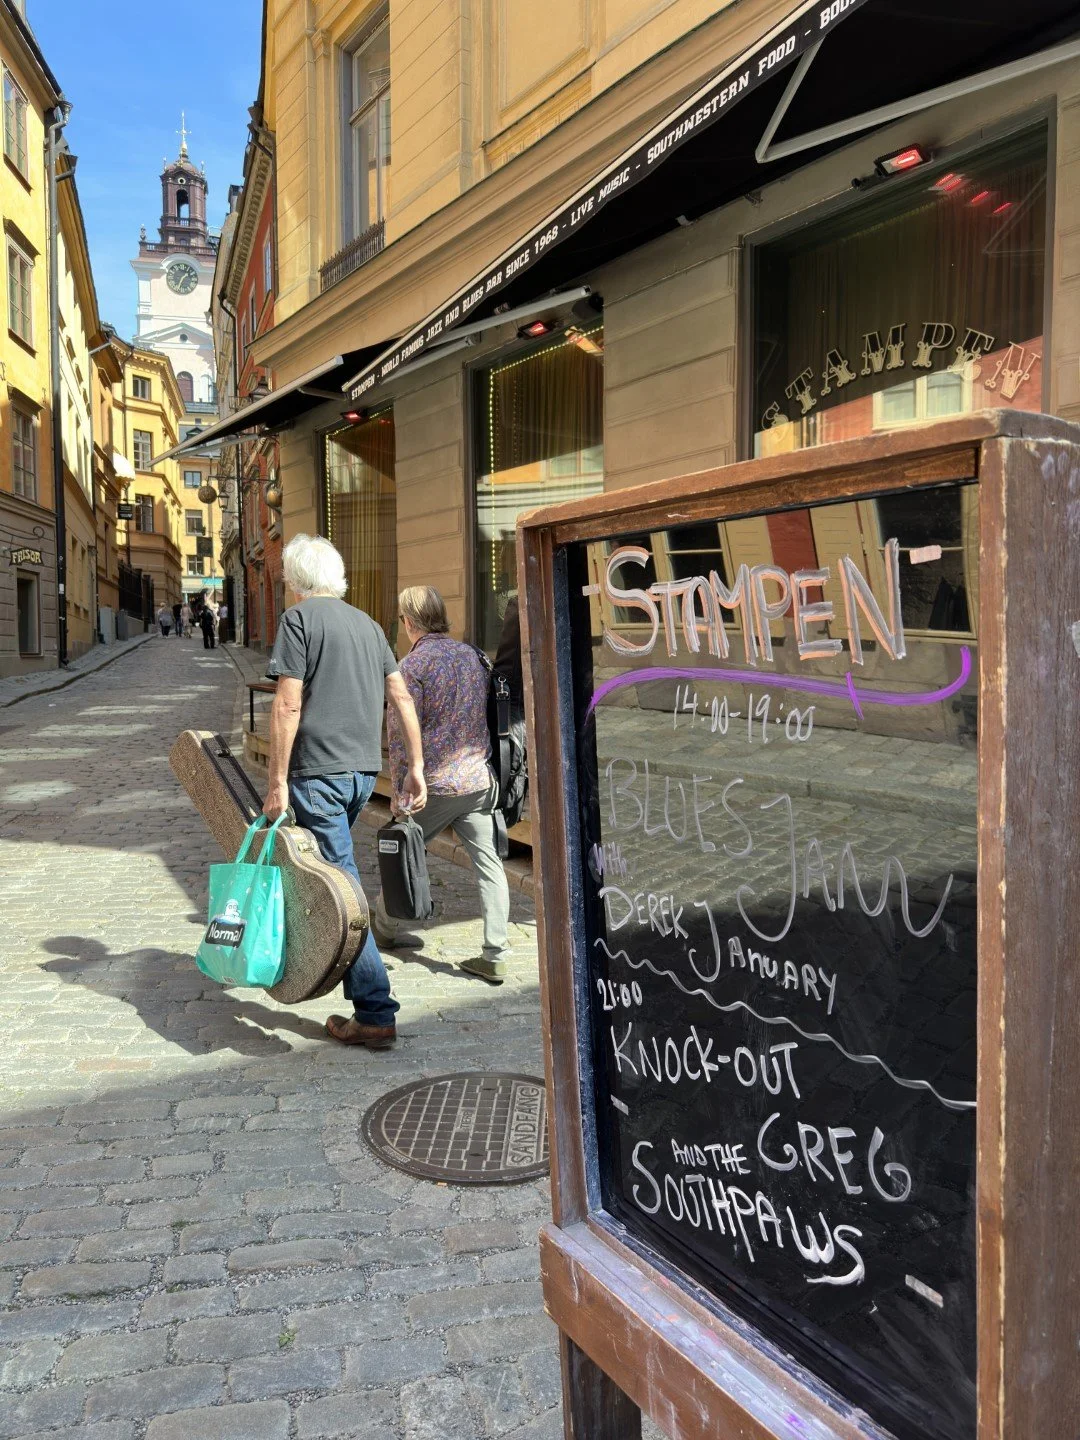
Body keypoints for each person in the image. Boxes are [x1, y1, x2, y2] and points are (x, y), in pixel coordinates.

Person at [263, 534, 426, 1049]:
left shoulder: (299, 621)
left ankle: (375, 1010)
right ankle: (332, 973)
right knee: (336, 877)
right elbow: (400, 696)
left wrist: (275, 784)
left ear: (296, 582)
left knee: (342, 887)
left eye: (288, 582)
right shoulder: (370, 624)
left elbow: (288, 706)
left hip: (317, 774)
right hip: (360, 773)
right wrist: (415, 765)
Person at [376, 585, 512, 984]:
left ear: (408, 622)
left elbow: (399, 734)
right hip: (477, 780)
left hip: (432, 786)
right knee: (489, 864)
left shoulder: (412, 668)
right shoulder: (473, 656)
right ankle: (496, 952)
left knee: (401, 850)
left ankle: (384, 927)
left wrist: (400, 788)